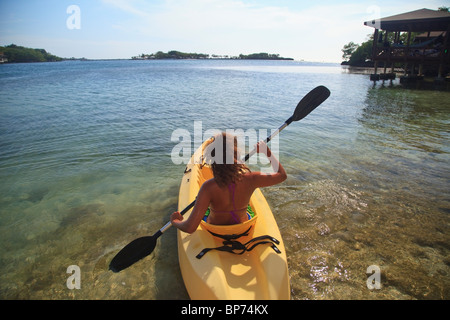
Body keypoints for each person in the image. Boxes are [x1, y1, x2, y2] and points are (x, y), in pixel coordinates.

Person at [170, 132, 287, 234]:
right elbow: (282, 175)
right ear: (236, 154)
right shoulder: (251, 178)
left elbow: (190, 228)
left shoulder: (208, 187)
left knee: (205, 208)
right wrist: (267, 152)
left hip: (216, 229)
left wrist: (175, 221)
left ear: (212, 158)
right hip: (243, 226)